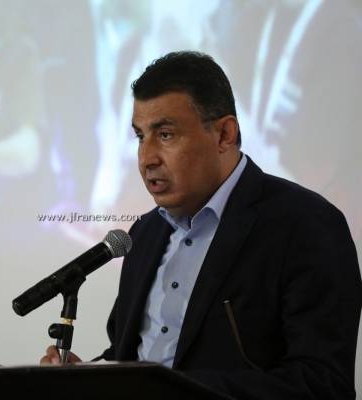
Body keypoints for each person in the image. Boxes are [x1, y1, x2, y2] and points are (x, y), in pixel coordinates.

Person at [40, 51, 362, 400]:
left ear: (224, 134)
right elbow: (130, 356)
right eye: (140, 136)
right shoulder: (144, 234)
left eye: (165, 135)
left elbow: (323, 385)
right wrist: (90, 377)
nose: (146, 158)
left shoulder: (307, 225)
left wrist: (171, 392)